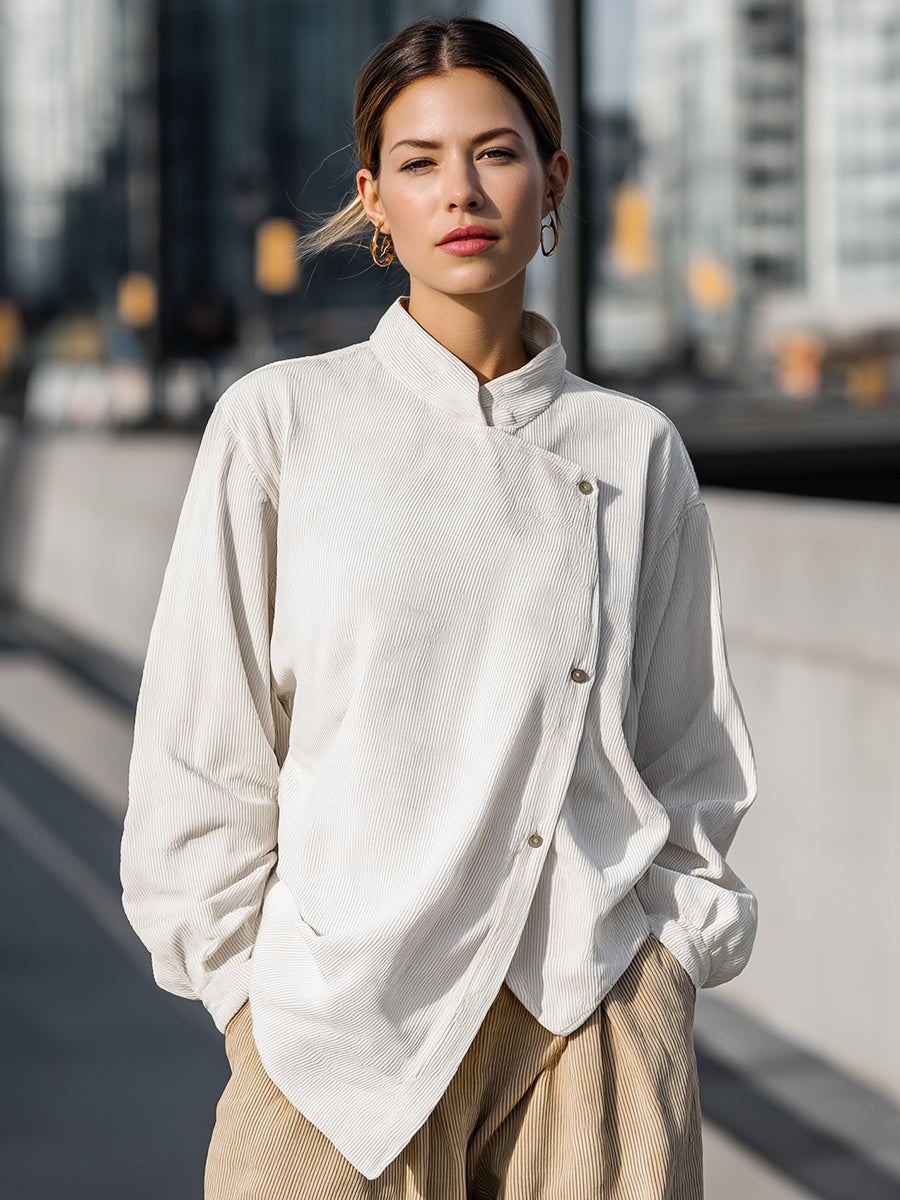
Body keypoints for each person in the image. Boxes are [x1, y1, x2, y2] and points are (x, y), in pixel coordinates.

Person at [120, 16, 757, 1200]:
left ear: (555, 178)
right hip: (330, 1038)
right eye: (418, 162)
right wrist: (245, 1000)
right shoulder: (281, 424)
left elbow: (690, 753)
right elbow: (202, 748)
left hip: (586, 1013)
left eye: (497, 153)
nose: (460, 191)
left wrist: (662, 969)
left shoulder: (634, 449)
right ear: (373, 199)